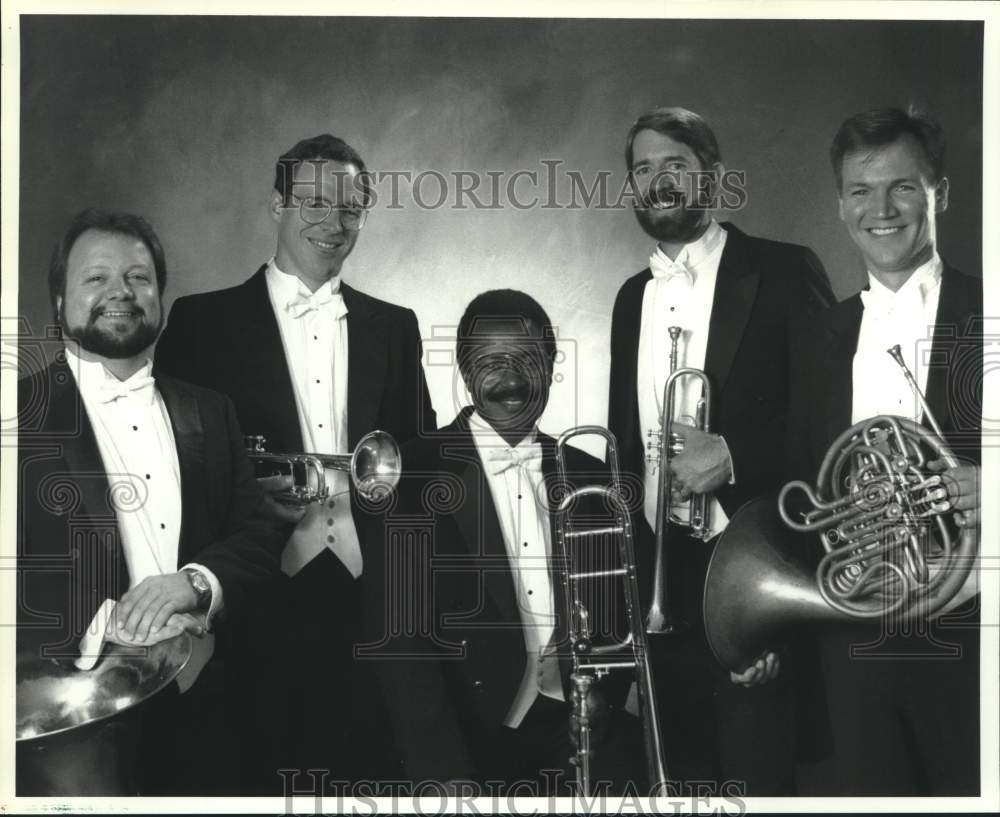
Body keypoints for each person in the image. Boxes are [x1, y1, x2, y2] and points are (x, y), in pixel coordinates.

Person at [154, 133, 436, 788]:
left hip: (369, 595)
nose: (332, 222)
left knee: (365, 778)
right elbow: (169, 465)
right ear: (277, 204)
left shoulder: (393, 325)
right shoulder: (202, 321)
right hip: (253, 591)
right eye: (313, 200)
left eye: (350, 207)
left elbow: (412, 456)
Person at [16, 209, 287, 795]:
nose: (121, 291)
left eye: (139, 277)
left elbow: (259, 536)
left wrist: (196, 582)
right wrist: (105, 633)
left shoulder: (212, 411)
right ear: (59, 304)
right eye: (96, 278)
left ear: (160, 298)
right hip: (68, 733)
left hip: (206, 706)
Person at [607, 106, 834, 793]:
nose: (659, 181)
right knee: (679, 784)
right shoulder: (629, 299)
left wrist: (735, 454)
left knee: (755, 782)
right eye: (643, 169)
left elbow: (835, 422)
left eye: (675, 163)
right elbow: (625, 453)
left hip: (754, 576)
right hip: (660, 592)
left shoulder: (784, 270)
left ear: (714, 176)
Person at [361, 289, 642, 794]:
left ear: (553, 363)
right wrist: (444, 772)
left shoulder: (593, 475)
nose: (511, 380)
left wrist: (601, 694)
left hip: (576, 737)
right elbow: (399, 642)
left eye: (529, 360)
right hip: (462, 743)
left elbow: (618, 615)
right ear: (465, 371)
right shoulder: (412, 471)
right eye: (490, 363)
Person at [785, 106, 981, 795]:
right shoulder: (817, 338)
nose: (882, 209)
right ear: (840, 206)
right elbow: (799, 489)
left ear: (941, 194)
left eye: (903, 186)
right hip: (853, 642)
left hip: (974, 636)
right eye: (861, 191)